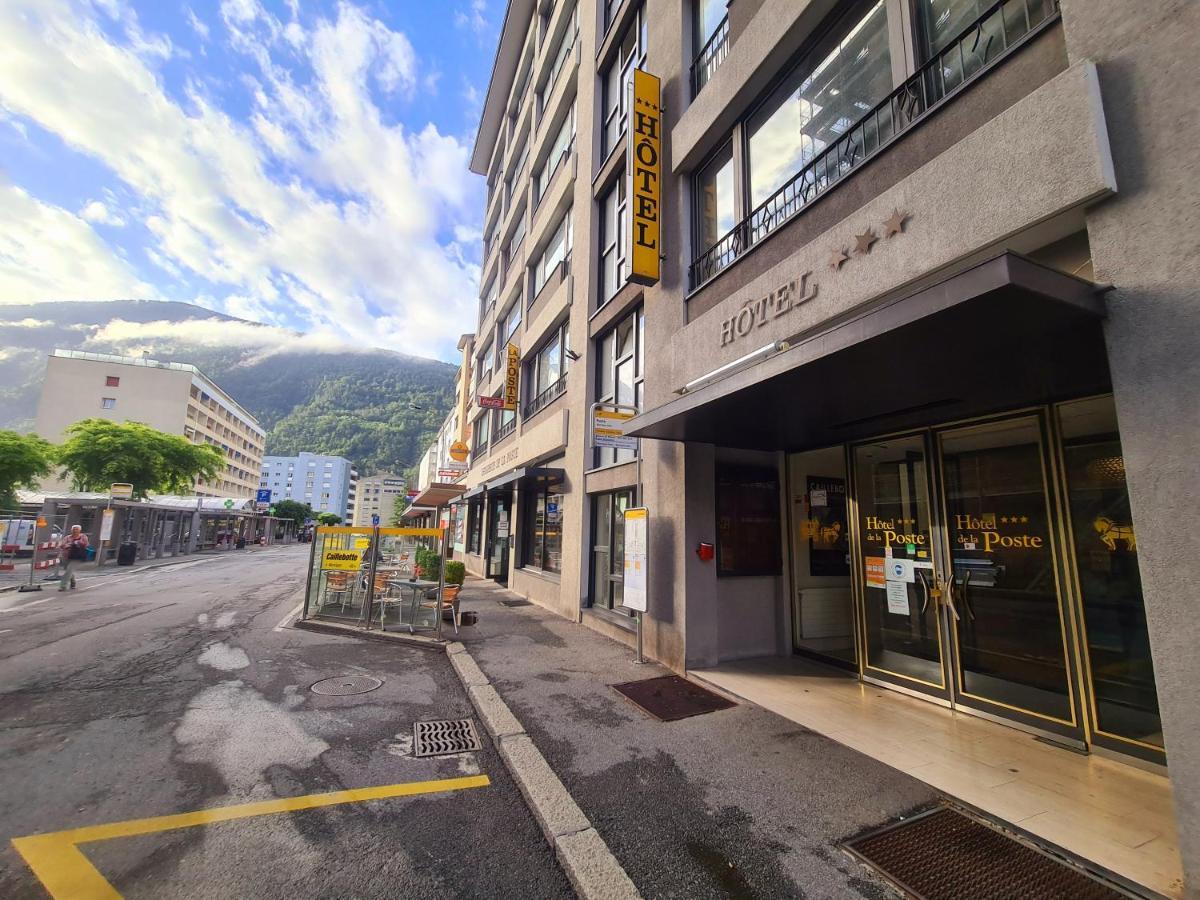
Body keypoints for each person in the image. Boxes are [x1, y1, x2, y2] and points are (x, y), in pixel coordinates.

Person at [58, 525, 89, 592]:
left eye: (77, 529)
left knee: (69, 570)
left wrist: (78, 543)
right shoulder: (67, 537)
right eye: (73, 529)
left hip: (77, 557)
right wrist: (69, 545)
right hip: (66, 556)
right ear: (71, 530)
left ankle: (63, 586)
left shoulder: (83, 537)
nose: (75, 531)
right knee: (68, 570)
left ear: (79, 530)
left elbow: (86, 544)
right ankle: (73, 582)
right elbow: (61, 545)